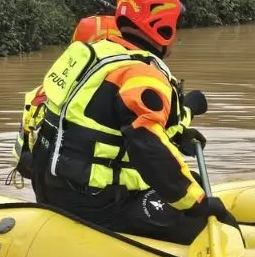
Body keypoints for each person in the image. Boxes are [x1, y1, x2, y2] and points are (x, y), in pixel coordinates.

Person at [31, 0, 232, 243]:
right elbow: (147, 146)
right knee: (209, 219)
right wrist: (197, 205)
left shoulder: (94, 54)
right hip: (95, 203)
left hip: (53, 187)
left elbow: (103, 119)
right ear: (162, 27)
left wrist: (178, 133)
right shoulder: (141, 73)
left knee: (189, 179)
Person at [14, 12, 208, 199]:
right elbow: (149, 134)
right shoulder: (118, 79)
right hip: (93, 191)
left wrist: (180, 131)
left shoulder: (51, 90)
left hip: (48, 184)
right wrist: (187, 112)